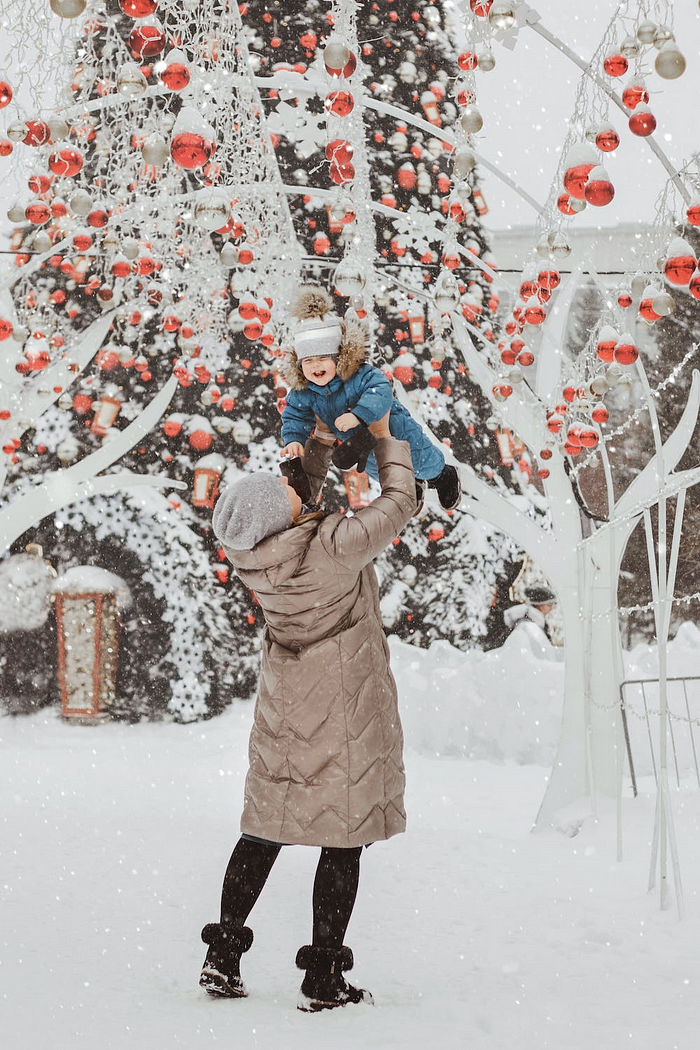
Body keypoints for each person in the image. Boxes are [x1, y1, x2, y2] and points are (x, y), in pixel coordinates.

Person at [203, 411, 416, 1012]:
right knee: (342, 837)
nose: (302, 488)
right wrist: (383, 436)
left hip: (287, 702)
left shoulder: (259, 556)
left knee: (264, 828)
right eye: (295, 492)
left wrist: (320, 441)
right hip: (343, 706)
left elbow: (293, 498)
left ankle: (222, 955)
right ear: (289, 512)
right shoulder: (334, 546)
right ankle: (323, 976)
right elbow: (401, 500)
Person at [279, 285, 461, 512]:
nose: (315, 365)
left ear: (338, 357)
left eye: (323, 358)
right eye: (308, 361)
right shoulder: (304, 391)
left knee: (421, 459)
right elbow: (294, 414)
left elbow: (380, 389)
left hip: (394, 428)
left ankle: (443, 476)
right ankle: (410, 487)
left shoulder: (358, 375)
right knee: (380, 469)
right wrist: (293, 439)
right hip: (357, 444)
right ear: (299, 365)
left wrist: (358, 415)